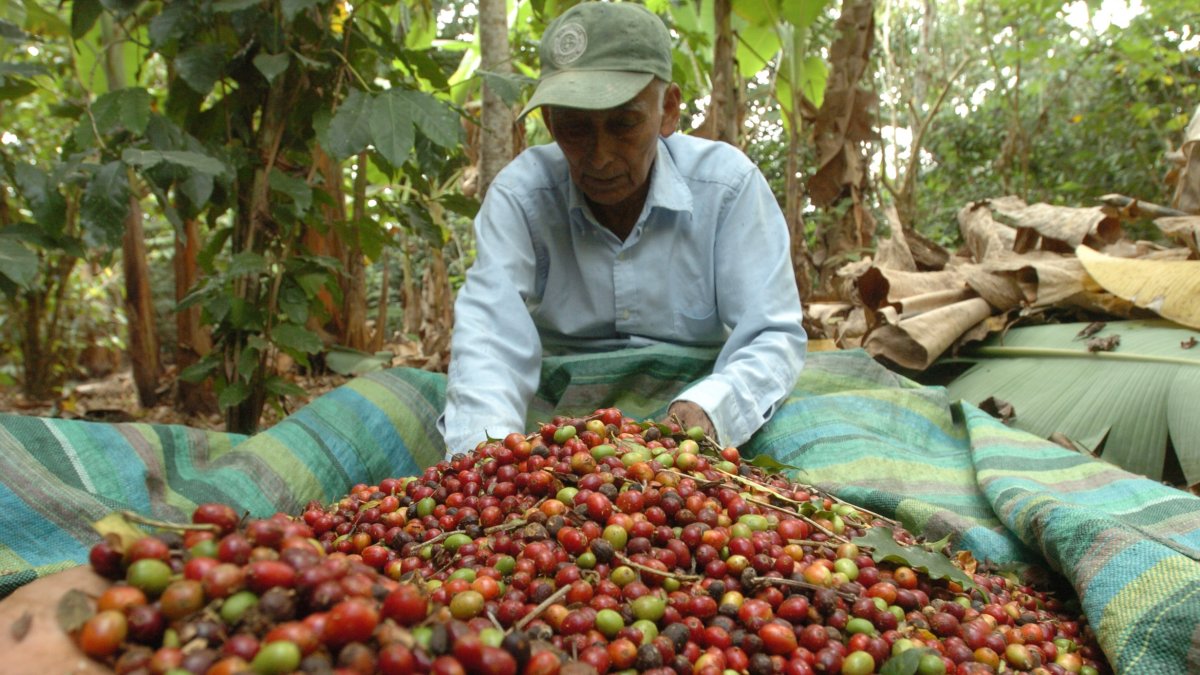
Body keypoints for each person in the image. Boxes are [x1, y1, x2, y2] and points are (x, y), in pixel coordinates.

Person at [439, 1, 808, 457]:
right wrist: (484, 465)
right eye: (575, 129)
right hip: (557, 407)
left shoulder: (727, 187)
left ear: (668, 110)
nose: (600, 157)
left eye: (624, 123)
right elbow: (488, 343)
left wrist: (709, 409)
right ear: (550, 123)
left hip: (699, 393)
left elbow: (772, 334)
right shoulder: (521, 197)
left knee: (809, 431)